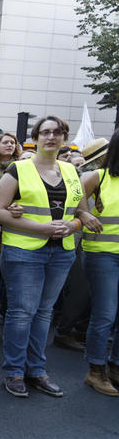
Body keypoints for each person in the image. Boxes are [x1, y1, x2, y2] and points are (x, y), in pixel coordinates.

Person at [0, 116, 97, 398]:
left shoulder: (71, 171)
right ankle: (14, 371)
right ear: (35, 137)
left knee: (44, 312)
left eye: (57, 132)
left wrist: (76, 222)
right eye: (45, 132)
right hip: (23, 250)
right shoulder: (19, 168)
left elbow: (80, 210)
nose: (51, 137)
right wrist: (41, 228)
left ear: (64, 137)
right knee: (22, 312)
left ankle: (36, 370)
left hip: (61, 252)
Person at [80, 129, 119, 396]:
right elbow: (75, 199)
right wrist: (83, 213)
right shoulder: (97, 176)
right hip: (102, 253)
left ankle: (115, 365)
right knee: (105, 313)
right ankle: (95, 370)